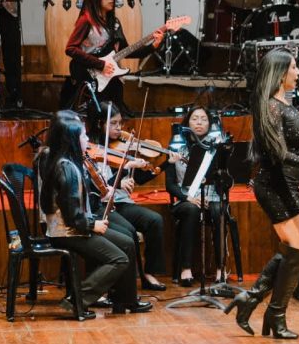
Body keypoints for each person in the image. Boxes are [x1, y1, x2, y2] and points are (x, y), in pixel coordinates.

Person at [224, 50, 299, 339]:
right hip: (273, 185)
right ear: (279, 73)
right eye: (294, 67)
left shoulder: (281, 104)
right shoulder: (269, 107)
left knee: (297, 249)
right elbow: (278, 153)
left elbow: (296, 147)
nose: (298, 72)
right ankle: (270, 312)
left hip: (284, 183)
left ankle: (258, 304)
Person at [38, 110, 150, 318]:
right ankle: (77, 300)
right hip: (67, 232)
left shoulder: (64, 160)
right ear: (71, 139)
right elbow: (72, 216)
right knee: (118, 259)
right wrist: (92, 225)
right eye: (83, 136)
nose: (88, 139)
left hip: (72, 226)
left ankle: (124, 300)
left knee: (127, 242)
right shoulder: (67, 168)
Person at [93, 107, 169, 292]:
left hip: (123, 203)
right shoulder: (94, 149)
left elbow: (138, 180)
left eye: (120, 123)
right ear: (100, 124)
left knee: (155, 220)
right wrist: (123, 173)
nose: (118, 128)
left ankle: (148, 273)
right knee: (129, 232)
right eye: (113, 123)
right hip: (104, 205)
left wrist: (166, 164)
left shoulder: (124, 146)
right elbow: (100, 183)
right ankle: (123, 282)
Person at [59, 0, 163, 115]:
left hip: (109, 78)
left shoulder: (114, 23)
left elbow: (125, 51)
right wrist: (100, 64)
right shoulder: (86, 21)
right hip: (89, 75)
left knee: (114, 114)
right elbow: (71, 48)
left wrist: (152, 47)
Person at [165, 105, 227, 286]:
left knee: (217, 210)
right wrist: (187, 197)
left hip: (211, 197)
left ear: (210, 123)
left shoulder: (216, 146)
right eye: (194, 118)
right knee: (191, 210)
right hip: (186, 199)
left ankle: (220, 269)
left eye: (203, 119)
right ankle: (185, 269)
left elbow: (223, 179)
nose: (199, 122)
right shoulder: (176, 144)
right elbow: (169, 185)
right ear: (187, 122)